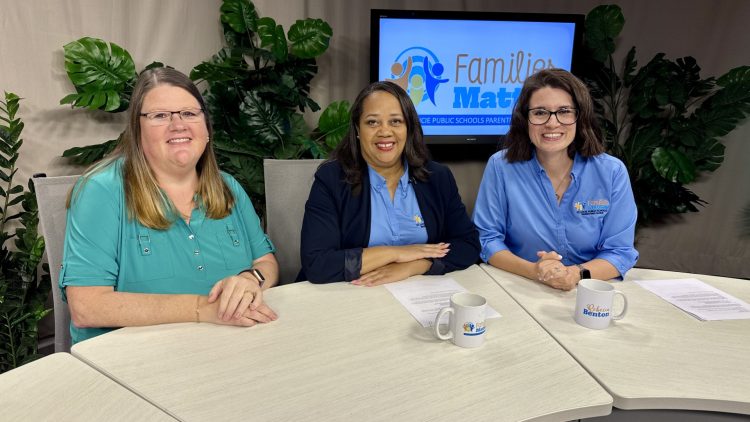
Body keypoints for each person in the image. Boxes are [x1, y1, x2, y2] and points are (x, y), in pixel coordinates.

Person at [61, 67, 279, 344]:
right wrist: (202, 309)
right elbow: (87, 307)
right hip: (130, 358)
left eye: (189, 113)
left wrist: (251, 278)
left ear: (207, 128)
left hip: (228, 345)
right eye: (160, 115)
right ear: (137, 131)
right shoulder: (100, 191)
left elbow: (265, 261)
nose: (178, 125)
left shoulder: (227, 187)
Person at [299, 81, 480, 285]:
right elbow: (317, 264)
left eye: (395, 121)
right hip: (350, 294)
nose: (385, 132)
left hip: (420, 292)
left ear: (408, 128)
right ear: (357, 129)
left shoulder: (437, 177)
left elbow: (468, 245)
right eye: (372, 122)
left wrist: (415, 265)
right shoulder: (332, 179)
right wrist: (395, 253)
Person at [473, 68, 638, 291]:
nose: (552, 123)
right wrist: (534, 270)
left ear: (580, 117)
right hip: (521, 284)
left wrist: (574, 274)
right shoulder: (501, 166)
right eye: (540, 112)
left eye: (564, 111)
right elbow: (488, 239)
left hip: (591, 289)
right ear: (525, 119)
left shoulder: (611, 171)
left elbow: (620, 251)